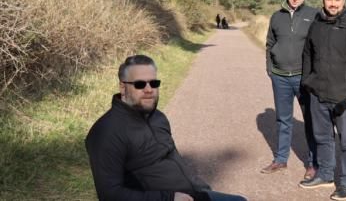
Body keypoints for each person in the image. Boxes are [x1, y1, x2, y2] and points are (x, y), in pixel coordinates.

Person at [85, 54, 246, 201]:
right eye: (140, 84)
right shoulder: (106, 132)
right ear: (123, 87)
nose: (149, 90)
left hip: (193, 195)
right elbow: (110, 195)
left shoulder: (158, 117)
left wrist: (201, 188)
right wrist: (169, 198)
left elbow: (174, 157)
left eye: (154, 83)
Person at [299, 0, 346, 201]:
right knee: (323, 137)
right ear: (323, 0)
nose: (333, 4)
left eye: (337, 0)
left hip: (343, 97)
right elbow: (307, 54)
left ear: (343, 1)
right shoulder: (316, 25)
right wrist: (308, 81)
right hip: (318, 92)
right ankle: (325, 174)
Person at [262, 0, 319, 180]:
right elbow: (269, 43)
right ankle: (280, 159)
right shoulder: (276, 16)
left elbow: (318, 47)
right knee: (283, 120)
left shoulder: (313, 15)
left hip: (303, 78)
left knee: (310, 120)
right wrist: (270, 69)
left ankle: (313, 164)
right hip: (280, 77)